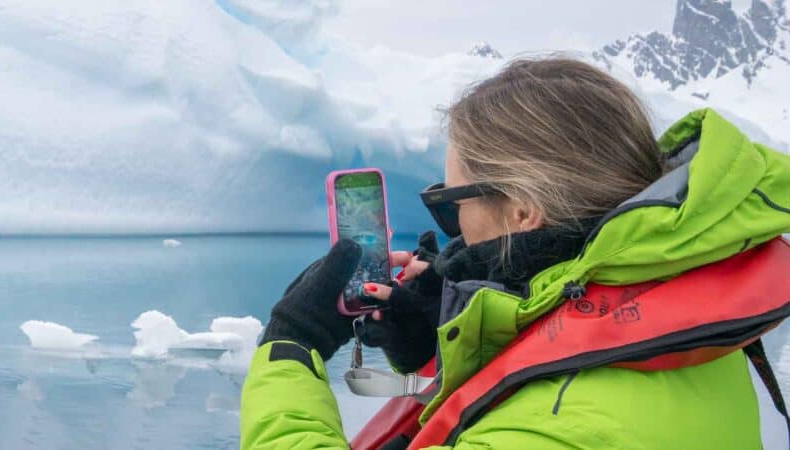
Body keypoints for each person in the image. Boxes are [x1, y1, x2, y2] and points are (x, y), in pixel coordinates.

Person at [240, 56, 790, 449]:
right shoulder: (696, 330)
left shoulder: (552, 429)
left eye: (451, 201)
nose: (454, 227)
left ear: (524, 211)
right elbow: (577, 349)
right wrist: (444, 343)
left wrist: (291, 344)